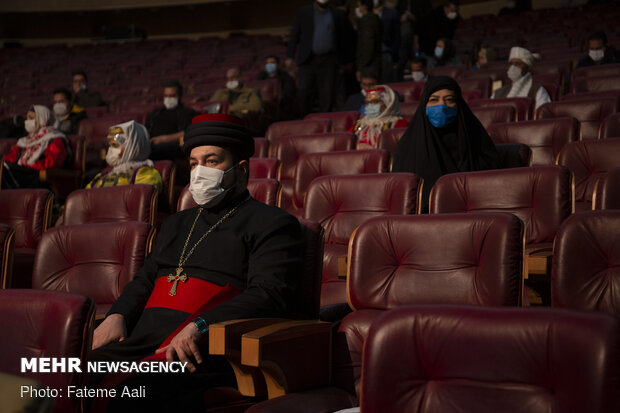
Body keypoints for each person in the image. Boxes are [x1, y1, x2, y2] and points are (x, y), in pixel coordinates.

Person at [90, 113, 304, 411]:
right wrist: (118, 314)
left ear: (241, 170)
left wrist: (201, 325)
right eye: (193, 163)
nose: (200, 172)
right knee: (58, 376)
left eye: (212, 161)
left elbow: (268, 294)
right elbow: (147, 277)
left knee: (130, 396)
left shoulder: (273, 223)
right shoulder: (177, 223)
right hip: (144, 338)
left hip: (206, 347)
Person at [392, 76, 499, 211]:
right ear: (424, 105)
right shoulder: (409, 145)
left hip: (472, 217)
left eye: (449, 100)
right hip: (423, 222)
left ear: (458, 105)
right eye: (434, 100)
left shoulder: (475, 138)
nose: (442, 106)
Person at [286, 0, 351, 115]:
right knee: (303, 91)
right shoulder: (304, 12)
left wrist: (344, 62)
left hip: (329, 60)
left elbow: (344, 39)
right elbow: (294, 34)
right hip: (308, 59)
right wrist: (290, 56)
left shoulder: (337, 14)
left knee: (327, 93)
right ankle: (305, 119)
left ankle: (324, 122)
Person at [2, 105, 68, 189]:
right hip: (20, 172)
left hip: (36, 175)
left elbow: (51, 163)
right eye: (27, 118)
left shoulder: (55, 139)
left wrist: (23, 168)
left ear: (42, 119)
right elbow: (11, 158)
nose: (27, 121)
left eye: (31, 118)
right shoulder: (25, 141)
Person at [86, 121, 162, 192]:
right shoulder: (101, 176)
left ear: (132, 148)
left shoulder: (146, 175)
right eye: (110, 145)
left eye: (115, 145)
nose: (110, 149)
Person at [146, 80, 198, 161]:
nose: (168, 99)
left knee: (151, 150)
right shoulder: (155, 113)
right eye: (166, 96)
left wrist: (164, 139)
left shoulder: (188, 113)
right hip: (153, 144)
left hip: (175, 145)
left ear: (179, 96)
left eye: (172, 96)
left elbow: (189, 132)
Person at [356, 0, 383, 83]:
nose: (358, 8)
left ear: (364, 7)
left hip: (369, 66)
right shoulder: (374, 19)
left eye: (359, 5)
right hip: (372, 63)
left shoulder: (368, 22)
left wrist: (361, 67)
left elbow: (368, 46)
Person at [374, 0, 401, 83]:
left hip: (386, 52)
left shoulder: (392, 13)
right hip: (371, 55)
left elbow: (397, 36)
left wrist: (394, 53)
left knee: (387, 80)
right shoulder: (365, 13)